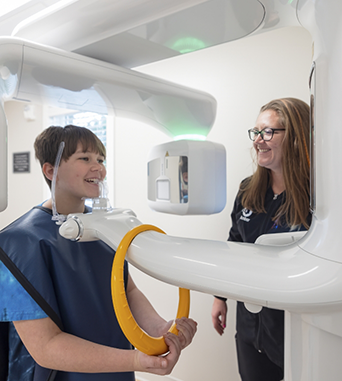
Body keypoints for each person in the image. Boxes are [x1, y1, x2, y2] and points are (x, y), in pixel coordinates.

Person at [0, 125, 197, 381]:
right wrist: (136, 359)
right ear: (51, 170)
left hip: (115, 371)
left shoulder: (104, 227)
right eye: (85, 158)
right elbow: (45, 347)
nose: (99, 168)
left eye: (100, 159)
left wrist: (161, 329)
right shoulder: (18, 243)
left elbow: (127, 291)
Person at [211, 98, 311, 381]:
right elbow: (234, 244)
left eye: (268, 132)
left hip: (293, 327)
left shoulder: (318, 197)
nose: (258, 140)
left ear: (295, 136)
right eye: (255, 132)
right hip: (250, 325)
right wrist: (220, 297)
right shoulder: (248, 190)